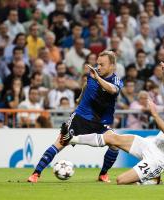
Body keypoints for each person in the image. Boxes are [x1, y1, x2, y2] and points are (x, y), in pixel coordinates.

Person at [62, 62, 164, 185]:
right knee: (112, 138)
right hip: (151, 144)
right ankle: (71, 138)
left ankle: (154, 179)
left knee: (121, 181)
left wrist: (154, 114)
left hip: (159, 159)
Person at [27, 51, 123, 183]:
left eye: (102, 64)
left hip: (99, 122)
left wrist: (97, 78)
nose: (99, 67)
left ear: (112, 66)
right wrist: (80, 96)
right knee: (60, 143)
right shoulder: (94, 74)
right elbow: (86, 84)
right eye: (98, 64)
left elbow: (113, 90)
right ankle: (35, 174)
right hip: (80, 117)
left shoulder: (115, 80)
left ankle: (103, 175)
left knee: (115, 145)